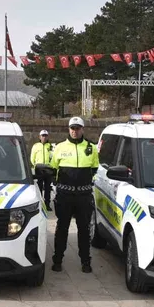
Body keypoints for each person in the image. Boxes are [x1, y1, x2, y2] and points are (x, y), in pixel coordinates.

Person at [50, 116, 99, 273]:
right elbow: (53, 169)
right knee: (62, 228)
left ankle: (86, 261)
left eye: (77, 128)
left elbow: (95, 170)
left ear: (82, 129)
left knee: (84, 230)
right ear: (68, 129)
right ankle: (57, 260)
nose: (75, 131)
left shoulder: (91, 148)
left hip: (83, 197)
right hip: (65, 196)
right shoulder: (59, 148)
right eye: (72, 128)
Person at [30, 129, 53, 211]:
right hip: (39, 168)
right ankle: (40, 204)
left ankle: (47, 204)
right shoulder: (35, 146)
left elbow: (53, 157)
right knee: (39, 187)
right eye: (42, 135)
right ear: (39, 137)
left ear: (47, 137)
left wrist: (51, 166)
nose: (44, 137)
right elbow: (32, 157)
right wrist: (35, 165)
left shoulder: (50, 146)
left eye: (45, 136)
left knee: (47, 188)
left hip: (48, 168)